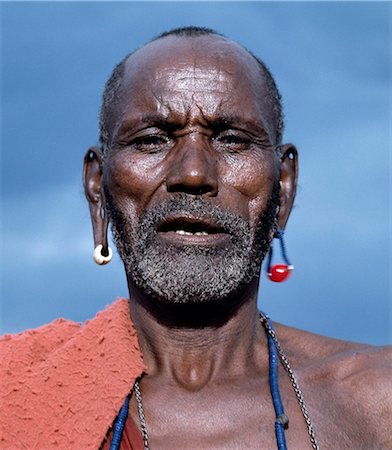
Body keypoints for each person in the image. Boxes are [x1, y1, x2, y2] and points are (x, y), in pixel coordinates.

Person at [1, 26, 391, 450]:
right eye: (152, 140)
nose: (193, 175)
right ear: (98, 188)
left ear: (284, 186)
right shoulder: (13, 391)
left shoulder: (375, 402)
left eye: (233, 140)